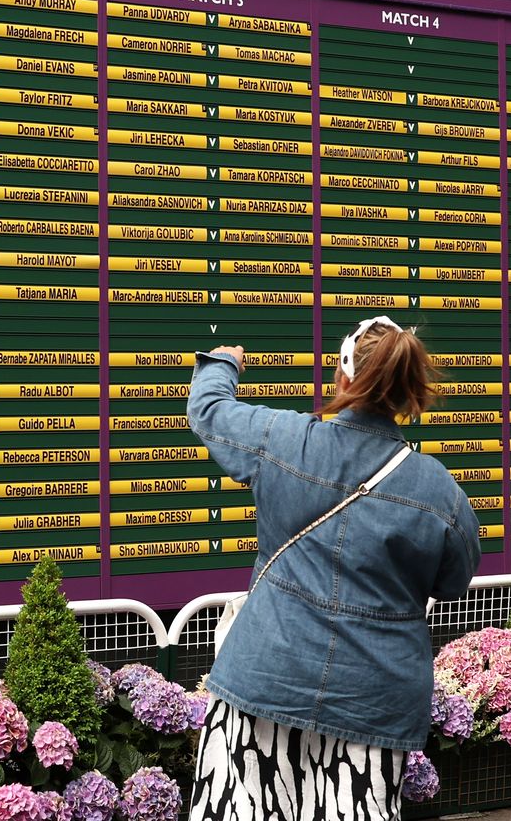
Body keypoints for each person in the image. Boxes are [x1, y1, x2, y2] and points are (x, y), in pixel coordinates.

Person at [185, 317, 482, 821]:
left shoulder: (283, 440)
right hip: (373, 702)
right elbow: (453, 581)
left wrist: (223, 363)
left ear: (343, 378)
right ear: (410, 391)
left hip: (264, 680)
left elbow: (210, 410)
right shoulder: (441, 493)